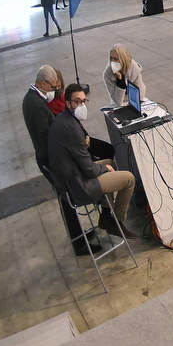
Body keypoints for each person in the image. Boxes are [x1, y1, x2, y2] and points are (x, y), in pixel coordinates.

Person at [22, 66, 101, 256]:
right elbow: (47, 137)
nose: (55, 91)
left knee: (66, 200)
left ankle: (79, 235)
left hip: (50, 159)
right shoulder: (37, 105)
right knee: (67, 200)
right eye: (53, 87)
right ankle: (79, 243)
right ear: (43, 84)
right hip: (52, 162)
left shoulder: (32, 98)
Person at [48, 83, 138, 239]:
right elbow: (89, 170)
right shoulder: (71, 128)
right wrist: (104, 168)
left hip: (72, 176)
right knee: (129, 179)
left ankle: (106, 215)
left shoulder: (63, 119)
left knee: (109, 161)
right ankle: (117, 221)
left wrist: (105, 166)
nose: (82, 105)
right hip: (79, 184)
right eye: (77, 101)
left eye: (84, 101)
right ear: (68, 103)